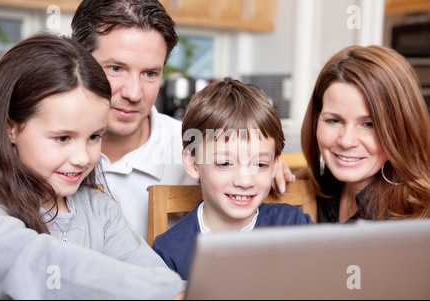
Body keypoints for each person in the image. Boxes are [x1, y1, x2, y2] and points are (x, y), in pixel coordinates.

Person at [0, 33, 184, 299]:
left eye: (94, 137)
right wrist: (168, 292)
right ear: (11, 128)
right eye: (62, 138)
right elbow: (45, 267)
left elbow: (152, 272)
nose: (82, 157)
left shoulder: (100, 209)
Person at [70, 0, 294, 240]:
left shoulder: (197, 145)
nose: (134, 94)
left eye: (150, 73)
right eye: (116, 68)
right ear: (79, 62)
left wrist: (255, 163)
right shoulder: (47, 150)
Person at [151, 78, 314, 280]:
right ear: (193, 164)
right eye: (225, 164)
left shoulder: (294, 225)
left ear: (274, 166)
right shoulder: (169, 251)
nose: (244, 182)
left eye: (260, 165)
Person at [298, 45, 430, 222]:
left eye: (369, 124)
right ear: (316, 119)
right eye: (334, 120)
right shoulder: (310, 190)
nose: (346, 141)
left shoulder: (420, 220)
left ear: (401, 129)